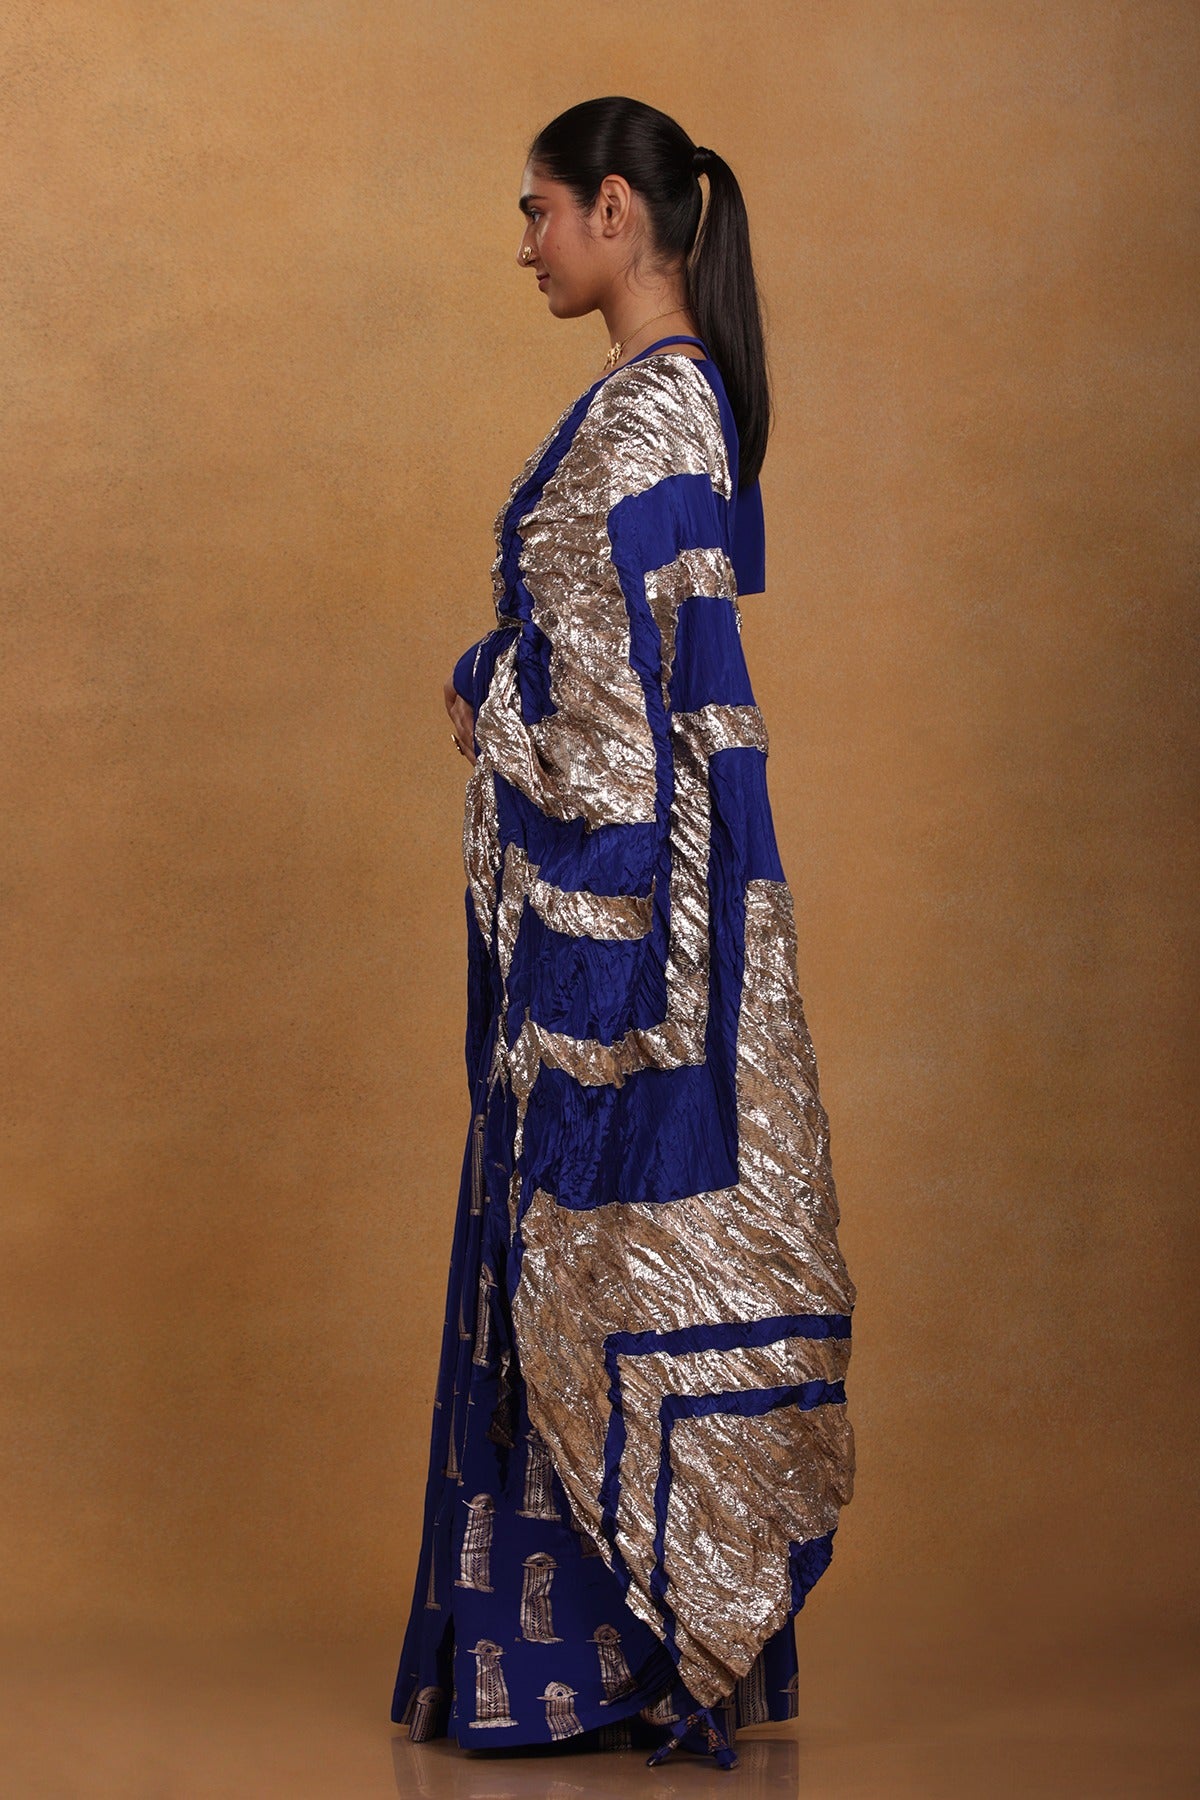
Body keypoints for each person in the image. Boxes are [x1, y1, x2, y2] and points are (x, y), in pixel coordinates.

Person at [389, 95, 856, 1773]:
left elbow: (609, 735)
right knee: (601, 1254)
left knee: (590, 1251)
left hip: (623, 933)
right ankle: (628, 1654)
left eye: (536, 211)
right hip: (665, 912)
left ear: (612, 209)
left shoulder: (650, 417)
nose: (522, 244)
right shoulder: (672, 404)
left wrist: (484, 684)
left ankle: (592, 1669)